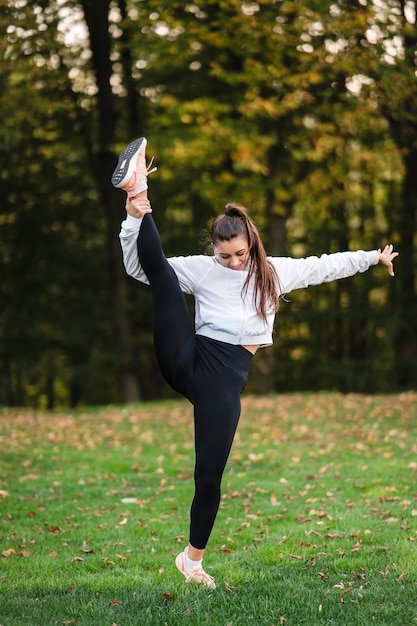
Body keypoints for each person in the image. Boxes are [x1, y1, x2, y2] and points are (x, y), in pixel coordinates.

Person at [113, 137, 399, 590]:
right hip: (187, 356)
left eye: (239, 255)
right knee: (165, 278)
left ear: (252, 245)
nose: (231, 262)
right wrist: (133, 224)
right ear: (213, 248)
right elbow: (141, 269)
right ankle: (138, 194)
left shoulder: (274, 272)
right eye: (223, 255)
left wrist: (372, 258)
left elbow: (324, 266)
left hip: (224, 383)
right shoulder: (204, 268)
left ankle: (191, 561)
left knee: (209, 478)